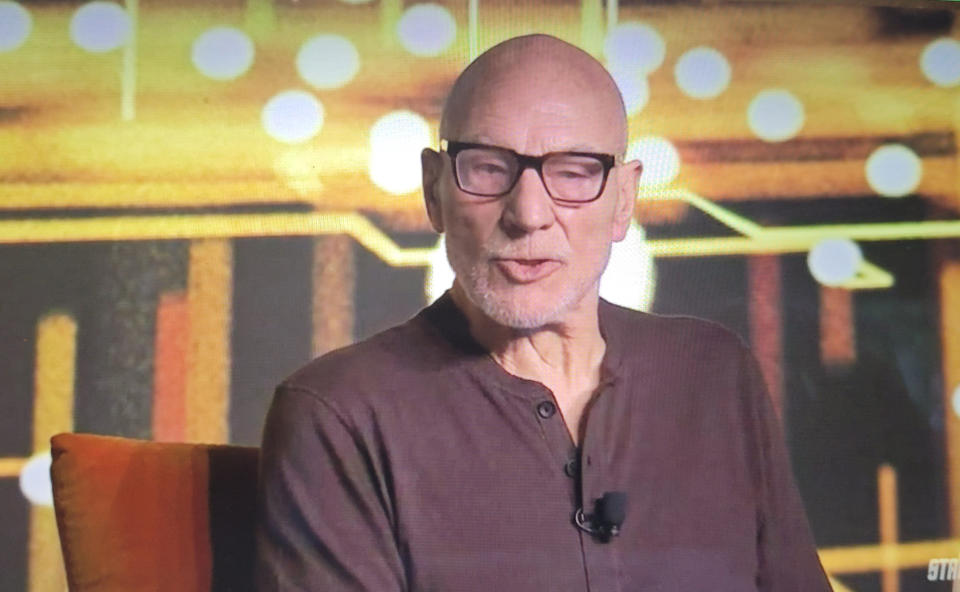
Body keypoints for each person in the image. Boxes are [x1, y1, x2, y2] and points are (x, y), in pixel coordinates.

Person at [255, 34, 833, 591]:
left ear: (623, 200)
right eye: (487, 167)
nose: (529, 213)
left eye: (574, 172)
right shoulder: (341, 415)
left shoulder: (712, 374)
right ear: (434, 189)